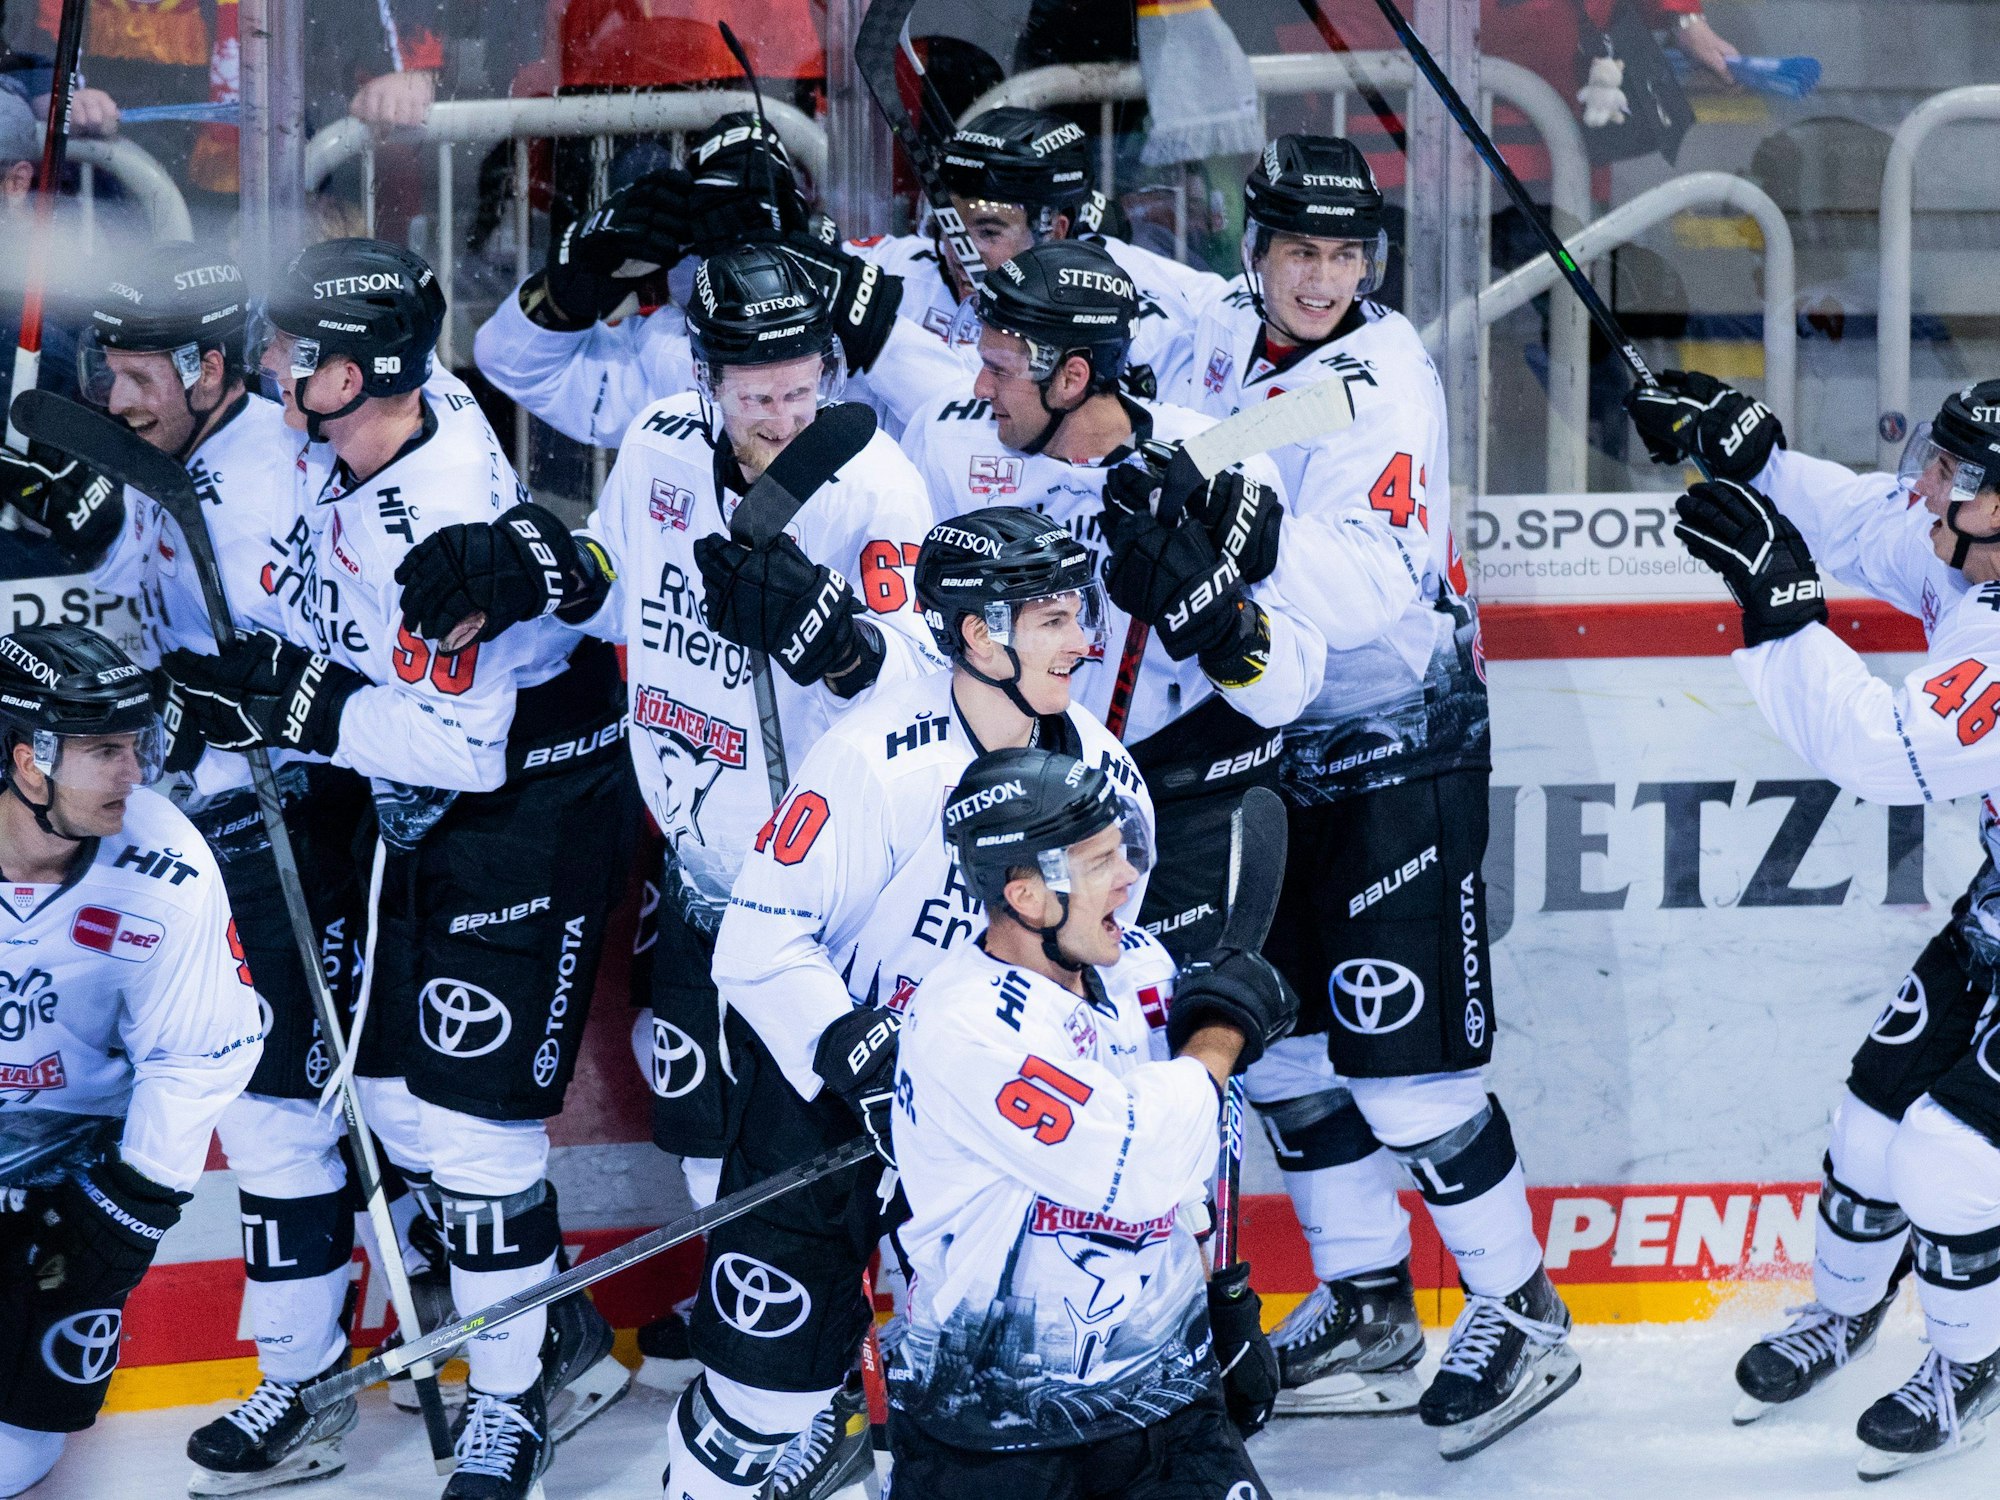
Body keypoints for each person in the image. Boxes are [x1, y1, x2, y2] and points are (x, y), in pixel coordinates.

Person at [400, 240, 942, 1500]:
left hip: (828, 905)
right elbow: (619, 591)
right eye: (755, 390)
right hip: (699, 871)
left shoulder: (875, 483)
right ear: (703, 376)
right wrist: (531, 568)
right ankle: (782, 1380)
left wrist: (832, 640)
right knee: (711, 1136)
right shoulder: (650, 446)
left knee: (825, 1169)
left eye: (802, 383)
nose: (782, 411)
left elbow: (926, 693)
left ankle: (860, 1391)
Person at [161, 238, 636, 1500]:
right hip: (404, 796)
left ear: (363, 371)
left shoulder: (431, 521)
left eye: (294, 353)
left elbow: (459, 749)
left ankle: (519, 1396)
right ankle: (383, 1367)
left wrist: (296, 703)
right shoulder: (361, 425)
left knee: (473, 1133)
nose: (271, 367)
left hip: (523, 795)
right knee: (391, 1107)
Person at [1162, 134, 1575, 1455]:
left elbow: (1367, 585)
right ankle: (1368, 1304)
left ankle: (1524, 1308)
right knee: (1278, 1046)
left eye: (1344, 255)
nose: (1322, 277)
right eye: (1301, 251)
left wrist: (1233, 535)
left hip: (1406, 737)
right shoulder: (1227, 328)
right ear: (1259, 249)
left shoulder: (1379, 377)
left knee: (1408, 1072)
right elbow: (1128, 311)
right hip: (1271, 740)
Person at [656, 509, 1174, 1498]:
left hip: (988, 1120)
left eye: (1079, 615)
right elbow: (757, 935)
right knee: (753, 1403)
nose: (1084, 641)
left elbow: (1101, 966)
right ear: (979, 634)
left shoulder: (1109, 784)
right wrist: (847, 1041)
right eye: (1056, 620)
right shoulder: (872, 759)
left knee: (1002, 1404)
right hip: (826, 1101)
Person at [0, 241, 391, 1492]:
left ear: (209, 366)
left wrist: (264, 701)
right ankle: (315, 1357)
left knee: (285, 1119)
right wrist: (77, 514)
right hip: (200, 820)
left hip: (290, 827)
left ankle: (309, 1375)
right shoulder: (175, 457)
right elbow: (135, 607)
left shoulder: (282, 470)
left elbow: (350, 649)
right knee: (282, 1120)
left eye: (131, 379)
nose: (116, 401)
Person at [1629, 372, 2000, 1478]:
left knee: (1947, 1157)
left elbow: (1883, 752)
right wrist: (1750, 458)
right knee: (1868, 1120)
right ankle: (1841, 1314)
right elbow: (1854, 521)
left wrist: (1780, 611)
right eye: (1938, 459)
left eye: (1956, 476)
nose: (1928, 485)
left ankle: (1970, 1363)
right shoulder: (1963, 545)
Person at [887, 745, 1298, 1494]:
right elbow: (1137, 1167)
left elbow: (1182, 1176)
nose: (1130, 878)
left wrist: (1224, 1299)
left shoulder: (1137, 967)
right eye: (1100, 861)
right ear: (1028, 896)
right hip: (996, 1437)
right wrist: (1222, 1036)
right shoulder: (967, 1027)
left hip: (1167, 1406)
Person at [907, 237, 1326, 966]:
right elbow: (911, 634)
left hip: (1179, 809)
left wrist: (1221, 621)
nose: (979, 386)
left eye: (1000, 368)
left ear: (1071, 378)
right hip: (1013, 803)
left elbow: (1291, 690)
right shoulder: (945, 445)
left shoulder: (1215, 466)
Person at [0, 624, 263, 1500]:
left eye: (135, 744)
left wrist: (127, 1212)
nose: (135, 773)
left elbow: (198, 1055)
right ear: (26, 761)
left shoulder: (166, 864)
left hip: (68, 1190)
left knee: (19, 1451)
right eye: (102, 750)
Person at [472, 110, 946, 446]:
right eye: (725, 217)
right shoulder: (671, 343)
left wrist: (878, 330)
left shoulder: (898, 273)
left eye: (762, 205)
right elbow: (511, 363)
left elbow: (983, 425)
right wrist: (567, 288)